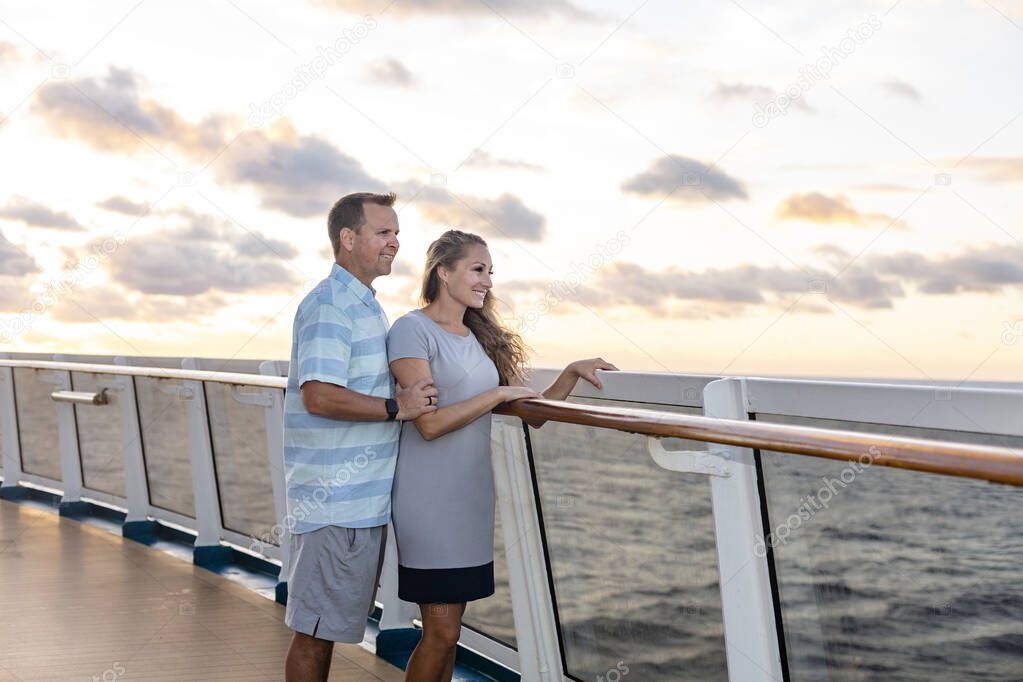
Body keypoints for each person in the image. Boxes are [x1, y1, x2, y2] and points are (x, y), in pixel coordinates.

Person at [386, 229, 617, 682]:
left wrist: (571, 372)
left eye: (490, 272)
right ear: (443, 272)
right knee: (441, 632)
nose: (487, 281)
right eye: (477, 269)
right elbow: (428, 424)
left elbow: (534, 413)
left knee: (451, 631)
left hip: (471, 500)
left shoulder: (480, 337)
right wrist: (494, 395)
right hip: (427, 503)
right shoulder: (411, 330)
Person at [282, 191, 439, 682]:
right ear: (348, 239)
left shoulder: (365, 306)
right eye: (383, 232)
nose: (395, 242)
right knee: (313, 633)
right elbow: (320, 397)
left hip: (356, 503)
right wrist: (399, 407)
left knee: (323, 628)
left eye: (396, 233)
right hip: (335, 504)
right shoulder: (332, 306)